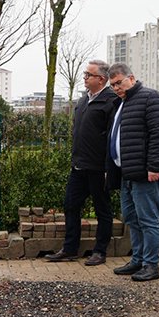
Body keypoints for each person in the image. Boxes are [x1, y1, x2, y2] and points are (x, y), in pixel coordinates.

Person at [105, 63, 159, 282]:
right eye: (113, 85)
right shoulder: (122, 103)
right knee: (132, 219)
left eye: (119, 82)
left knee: (148, 219)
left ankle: (151, 265)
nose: (116, 88)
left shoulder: (150, 98)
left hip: (146, 173)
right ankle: (137, 260)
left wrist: (155, 167)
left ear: (131, 78)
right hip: (126, 172)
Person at [45, 60, 118, 266]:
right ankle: (69, 249)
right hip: (78, 166)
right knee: (70, 205)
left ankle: (100, 251)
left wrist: (108, 167)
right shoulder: (83, 99)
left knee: (102, 209)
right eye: (85, 74)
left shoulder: (111, 101)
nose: (84, 77)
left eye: (88, 75)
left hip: (98, 168)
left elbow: (113, 136)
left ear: (101, 79)